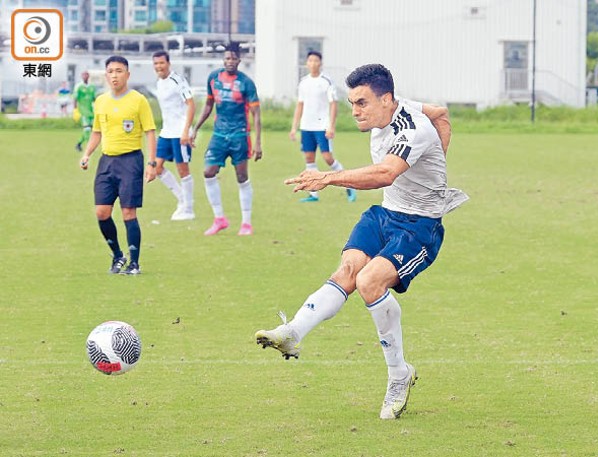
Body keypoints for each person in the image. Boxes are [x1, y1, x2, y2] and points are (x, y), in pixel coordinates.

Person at [255, 64, 468, 420]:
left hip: (419, 227)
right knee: (349, 270)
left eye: (362, 103)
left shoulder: (411, 128)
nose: (355, 111)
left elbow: (385, 173)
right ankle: (293, 332)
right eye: (352, 102)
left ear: (386, 99)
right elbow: (442, 113)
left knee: (370, 281)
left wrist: (329, 178)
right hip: (385, 214)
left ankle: (399, 375)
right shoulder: (401, 107)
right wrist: (439, 161)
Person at [79, 55, 157, 275]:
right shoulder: (101, 101)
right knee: (102, 212)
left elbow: (150, 131)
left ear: (127, 74)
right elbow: (97, 131)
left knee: (128, 213)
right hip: (107, 161)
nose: (115, 75)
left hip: (131, 161)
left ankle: (134, 263)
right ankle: (118, 256)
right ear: (106, 75)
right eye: (111, 71)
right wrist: (87, 154)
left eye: (119, 71)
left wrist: (152, 163)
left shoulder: (138, 100)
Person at [191, 42, 262, 236]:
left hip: (240, 135)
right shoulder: (214, 78)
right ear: (223, 60)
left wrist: (257, 142)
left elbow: (256, 113)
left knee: (242, 177)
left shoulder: (246, 82)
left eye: (233, 58)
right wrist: (195, 128)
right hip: (219, 135)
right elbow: (208, 105)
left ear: (239, 60)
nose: (230, 61)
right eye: (227, 58)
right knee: (208, 172)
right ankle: (219, 219)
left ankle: (246, 223)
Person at [290, 51, 356, 203]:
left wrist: (331, 126)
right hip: (306, 126)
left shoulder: (326, 81)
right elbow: (300, 105)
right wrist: (294, 127)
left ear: (320, 63)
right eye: (310, 60)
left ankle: (349, 185)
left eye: (315, 60)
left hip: (322, 126)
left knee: (327, 158)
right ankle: (313, 194)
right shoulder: (303, 82)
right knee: (309, 158)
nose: (312, 63)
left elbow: (334, 104)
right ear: (306, 63)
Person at [152, 50, 196, 221]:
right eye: (156, 64)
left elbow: (191, 105)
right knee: (157, 167)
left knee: (182, 169)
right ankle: (182, 200)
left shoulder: (178, 80)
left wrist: (186, 131)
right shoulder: (159, 83)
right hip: (166, 132)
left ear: (168, 63)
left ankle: (189, 209)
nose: (159, 67)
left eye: (161, 63)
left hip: (180, 132)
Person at [73, 71, 97, 152]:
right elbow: (75, 99)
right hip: (83, 111)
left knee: (91, 129)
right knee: (87, 129)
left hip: (91, 111)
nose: (85, 76)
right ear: (81, 76)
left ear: (88, 76)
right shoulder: (78, 86)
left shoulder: (92, 86)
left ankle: (78, 144)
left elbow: (94, 98)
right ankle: (89, 147)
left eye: (86, 75)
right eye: (83, 75)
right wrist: (75, 110)